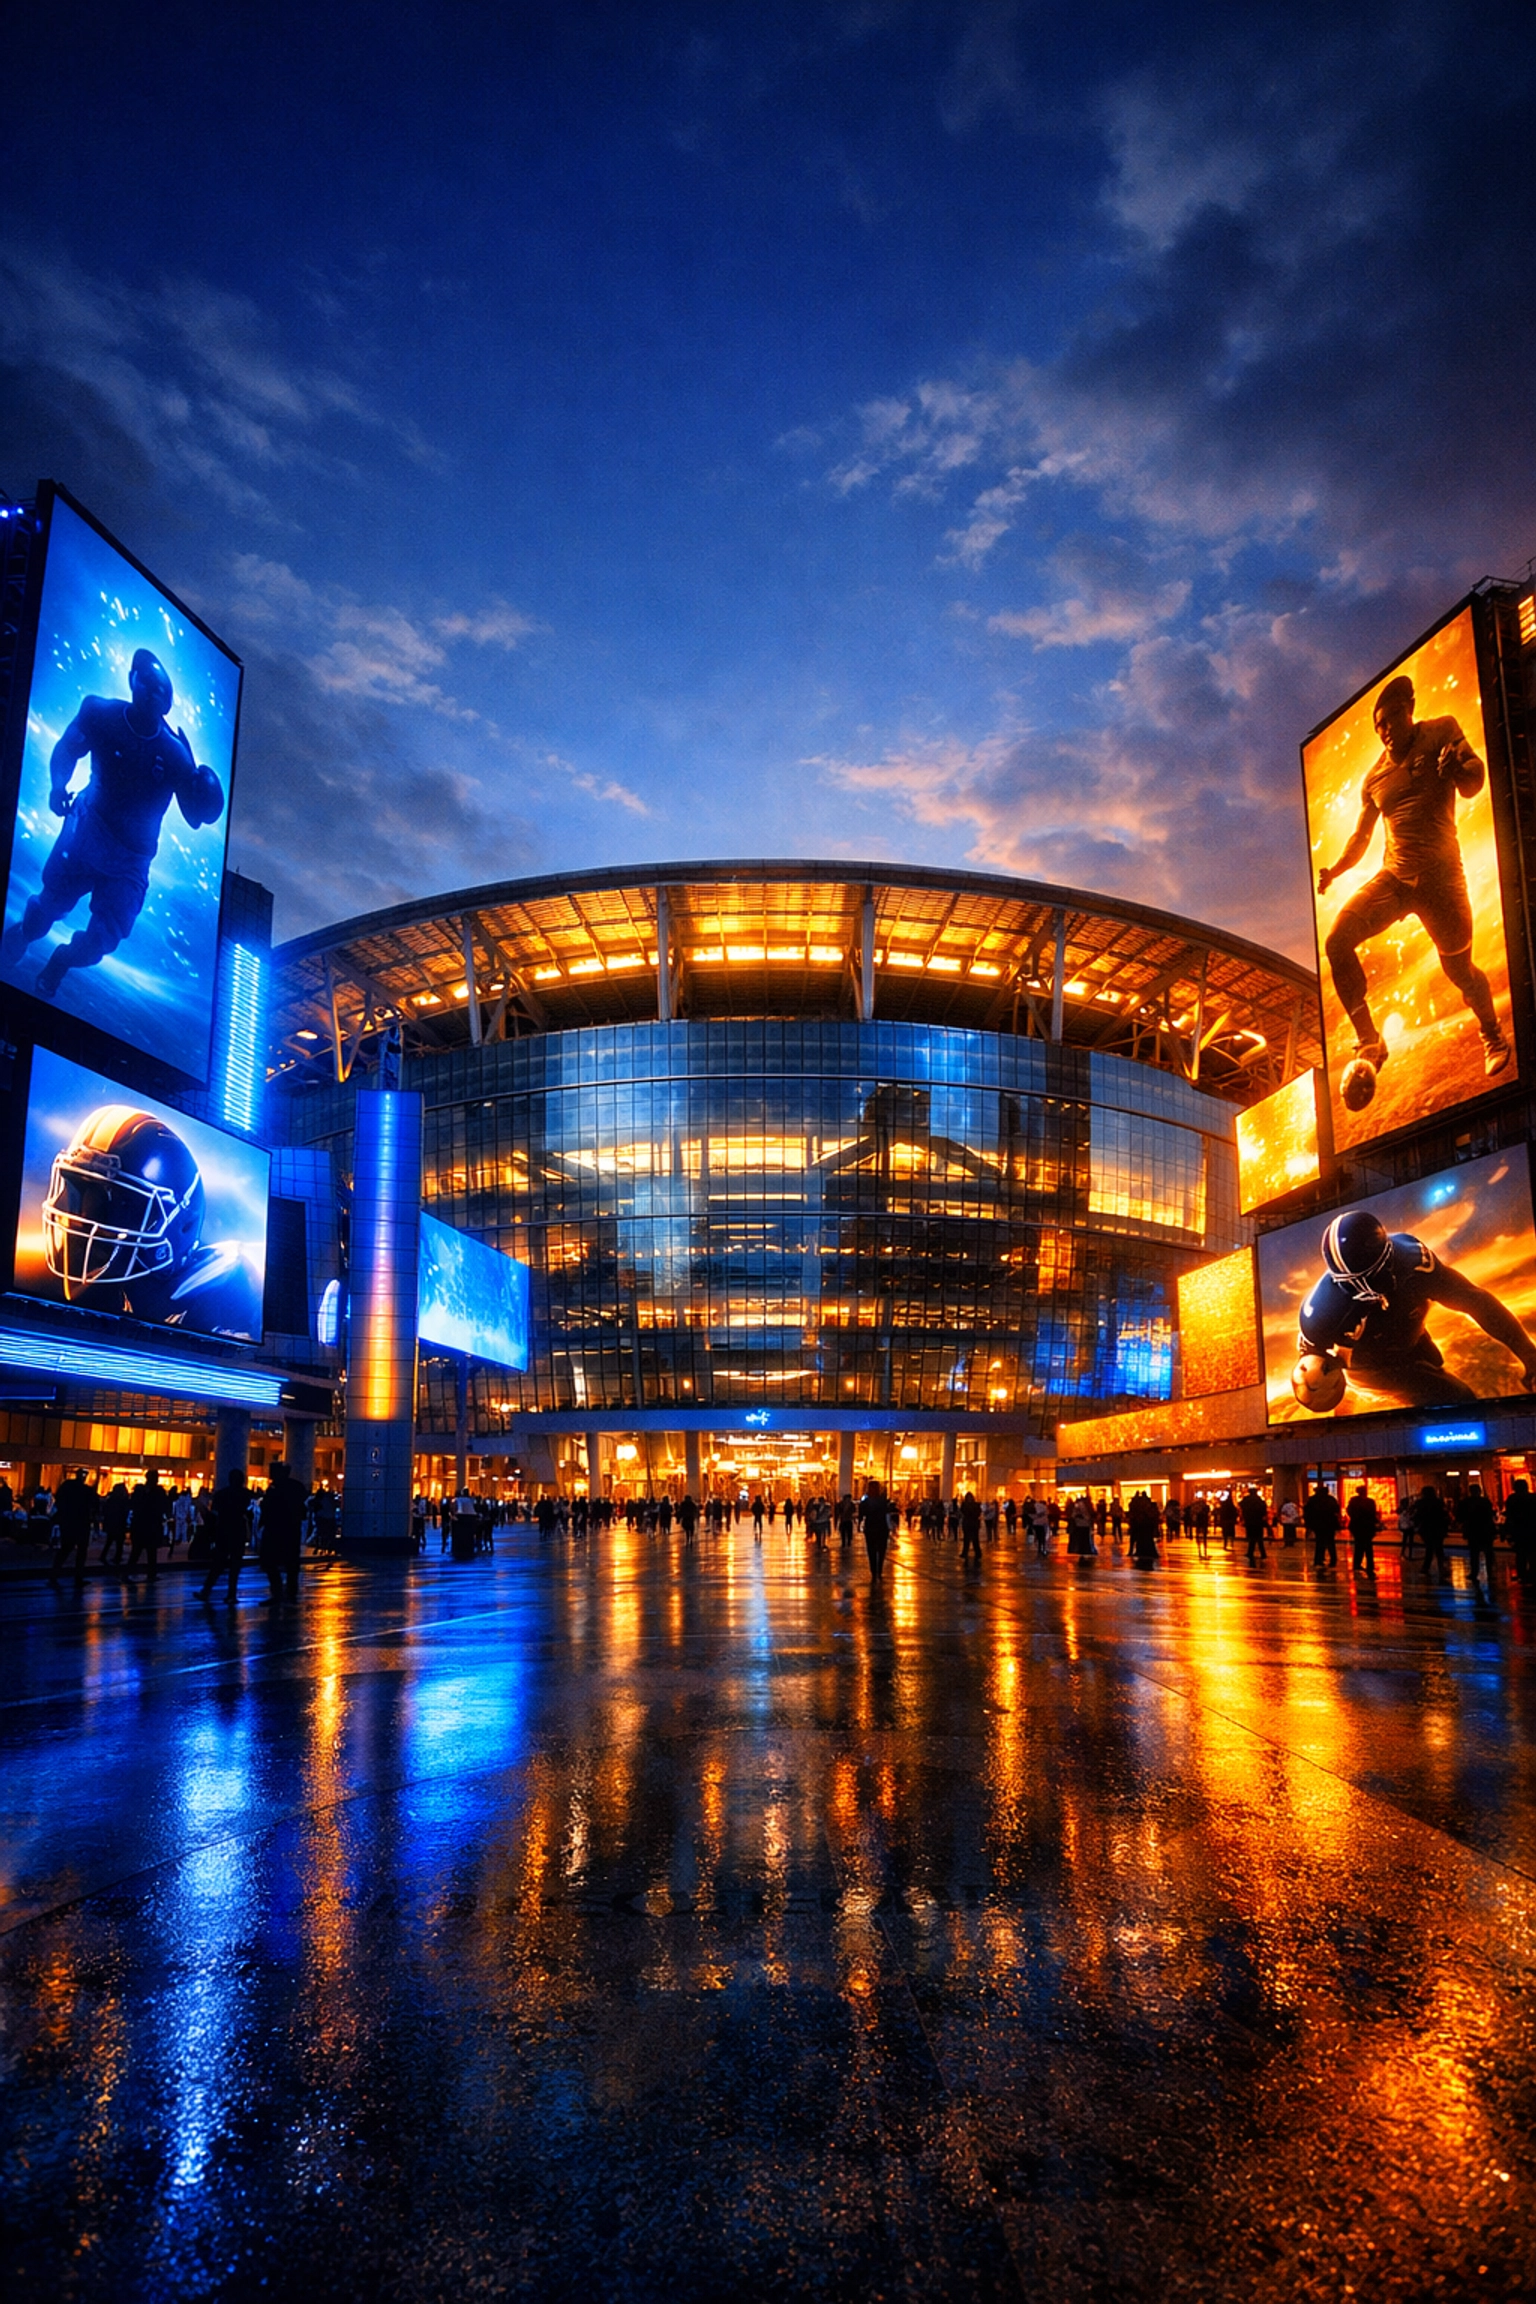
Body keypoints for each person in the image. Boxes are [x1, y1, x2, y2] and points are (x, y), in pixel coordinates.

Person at [1316, 669, 1511, 1081]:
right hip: (1395, 881)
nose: (1384, 731)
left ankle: (1491, 1033)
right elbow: (1360, 837)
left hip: (1442, 882)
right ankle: (1370, 1040)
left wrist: (1458, 771)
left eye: (1390, 720)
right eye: (1378, 726)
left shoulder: (1442, 731)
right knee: (1336, 941)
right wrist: (1335, 869)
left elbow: (1475, 780)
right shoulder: (1374, 778)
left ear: (1409, 709)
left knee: (1459, 971)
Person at [2, 647, 225, 997]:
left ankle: (61, 961)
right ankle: (24, 935)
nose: (150, 697)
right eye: (146, 688)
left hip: (130, 861)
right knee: (46, 910)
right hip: (87, 829)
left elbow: (199, 815)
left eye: (158, 694)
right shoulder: (101, 713)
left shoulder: (174, 755)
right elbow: (67, 749)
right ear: (133, 683)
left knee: (100, 941)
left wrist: (198, 781)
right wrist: (58, 786)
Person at [1292, 1208, 1536, 1412]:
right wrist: (1319, 1384)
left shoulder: (1412, 1262)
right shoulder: (1321, 1314)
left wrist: (1529, 1354)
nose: (1355, 1288)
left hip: (1411, 1336)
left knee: (1435, 1363)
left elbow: (1473, 1300)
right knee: (1460, 1399)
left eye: (1362, 1278)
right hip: (1370, 1367)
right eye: (1347, 1281)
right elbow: (1313, 1380)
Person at [199, 1468, 251, 1605]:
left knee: (218, 1563)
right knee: (235, 1566)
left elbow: (214, 1513)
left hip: (224, 1530)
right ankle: (231, 1594)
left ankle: (206, 1591)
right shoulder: (245, 1494)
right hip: (238, 1530)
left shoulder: (221, 1494)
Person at [259, 1461, 308, 1602]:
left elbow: (269, 1507)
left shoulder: (277, 1488)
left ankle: (280, 1592)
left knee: (271, 1562)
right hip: (290, 1528)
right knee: (290, 1562)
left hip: (278, 1528)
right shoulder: (295, 1487)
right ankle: (289, 1592)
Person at [49, 1470, 97, 1585]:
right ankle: (77, 1577)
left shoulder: (67, 1486)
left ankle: (54, 1574)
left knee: (65, 1549)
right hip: (81, 1523)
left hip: (68, 1522)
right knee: (80, 1551)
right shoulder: (86, 1490)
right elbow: (93, 1505)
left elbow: (59, 1499)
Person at [126, 1466, 172, 1576]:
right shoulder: (158, 1491)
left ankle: (128, 1573)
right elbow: (164, 1506)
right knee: (151, 1551)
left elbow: (132, 1505)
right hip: (152, 1525)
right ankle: (151, 1573)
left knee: (136, 1551)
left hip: (139, 1524)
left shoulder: (139, 1491)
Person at [1460, 1481, 1497, 1603]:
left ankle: (1475, 1572)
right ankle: (1489, 1572)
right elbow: (1490, 1514)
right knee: (1487, 1552)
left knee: (1474, 1553)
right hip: (1485, 1530)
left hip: (1474, 1530)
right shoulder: (1484, 1501)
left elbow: (1462, 1515)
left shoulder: (1467, 1502)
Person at [1415, 1483, 1450, 1583]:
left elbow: (1417, 1515)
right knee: (1439, 1548)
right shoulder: (1438, 1502)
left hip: (1426, 1527)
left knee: (1429, 1548)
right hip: (1438, 1527)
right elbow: (1444, 1514)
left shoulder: (1420, 1503)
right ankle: (1441, 1568)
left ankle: (1426, 1567)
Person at [1503, 1478, 1536, 1585]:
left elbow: (1509, 1516)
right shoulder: (1533, 1498)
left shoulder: (1512, 1499)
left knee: (1521, 1554)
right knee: (1532, 1553)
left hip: (1519, 1530)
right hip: (1532, 1529)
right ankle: (1532, 1573)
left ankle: (1522, 1574)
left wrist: (1507, 1531)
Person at [1304, 1481, 1340, 1570]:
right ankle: (1333, 1560)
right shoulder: (1331, 1499)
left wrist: (1309, 1524)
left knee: (1320, 1542)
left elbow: (1308, 1512)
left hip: (1318, 1524)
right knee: (1330, 1542)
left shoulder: (1313, 1500)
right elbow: (1336, 1510)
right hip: (1330, 1524)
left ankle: (1318, 1560)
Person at [860, 1481, 892, 1580]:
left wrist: (860, 1525)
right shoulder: (883, 1501)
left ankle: (873, 1571)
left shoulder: (865, 1502)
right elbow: (887, 1515)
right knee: (881, 1550)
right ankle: (879, 1571)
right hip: (882, 1528)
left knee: (871, 1550)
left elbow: (862, 1515)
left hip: (870, 1528)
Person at [1346, 1486, 1379, 1576]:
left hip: (1358, 1526)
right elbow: (1373, 1513)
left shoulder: (1354, 1501)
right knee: (1368, 1546)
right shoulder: (1369, 1501)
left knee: (1359, 1545)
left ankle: (1357, 1564)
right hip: (1366, 1526)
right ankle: (1369, 1566)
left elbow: (1349, 1511)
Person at [100, 1479, 131, 1568]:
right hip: (119, 1523)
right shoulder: (123, 1500)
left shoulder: (111, 1499)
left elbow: (106, 1510)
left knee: (110, 1541)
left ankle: (104, 1555)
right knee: (119, 1542)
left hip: (112, 1523)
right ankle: (117, 1557)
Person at [1128, 1490, 1159, 1569]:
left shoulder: (1137, 1505)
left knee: (1136, 1538)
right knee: (1146, 1538)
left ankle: (1135, 1550)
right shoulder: (1147, 1505)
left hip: (1141, 1524)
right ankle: (1142, 1550)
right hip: (1146, 1525)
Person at [1240, 1487, 1269, 1564]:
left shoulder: (1247, 1500)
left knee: (1251, 1538)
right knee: (1259, 1538)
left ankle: (1250, 1553)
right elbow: (1264, 1510)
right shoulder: (1259, 1500)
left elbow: (1241, 1505)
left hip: (1250, 1521)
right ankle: (1262, 1553)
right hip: (1258, 1521)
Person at [959, 1489, 983, 1565]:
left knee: (974, 1540)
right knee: (967, 1540)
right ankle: (966, 1553)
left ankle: (977, 1553)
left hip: (972, 1524)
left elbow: (977, 1513)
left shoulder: (971, 1505)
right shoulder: (969, 1505)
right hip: (969, 1524)